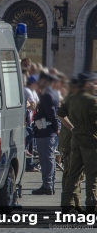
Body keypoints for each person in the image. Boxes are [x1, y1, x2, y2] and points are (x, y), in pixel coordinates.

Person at [59, 72, 97, 214]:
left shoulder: (70, 98)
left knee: (73, 174)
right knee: (92, 175)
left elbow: (60, 115)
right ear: (86, 84)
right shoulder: (92, 101)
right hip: (90, 141)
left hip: (76, 139)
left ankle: (66, 205)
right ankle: (91, 206)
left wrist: (72, 128)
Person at [32, 72, 61, 195]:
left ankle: (47, 185)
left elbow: (51, 113)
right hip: (49, 130)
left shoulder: (46, 94)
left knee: (46, 159)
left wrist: (56, 128)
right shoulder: (52, 92)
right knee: (49, 158)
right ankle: (50, 184)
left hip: (46, 130)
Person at [58, 77, 83, 213]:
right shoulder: (70, 100)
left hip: (76, 140)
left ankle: (75, 202)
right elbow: (61, 116)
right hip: (70, 141)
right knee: (70, 173)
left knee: (77, 174)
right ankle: (69, 203)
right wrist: (72, 128)